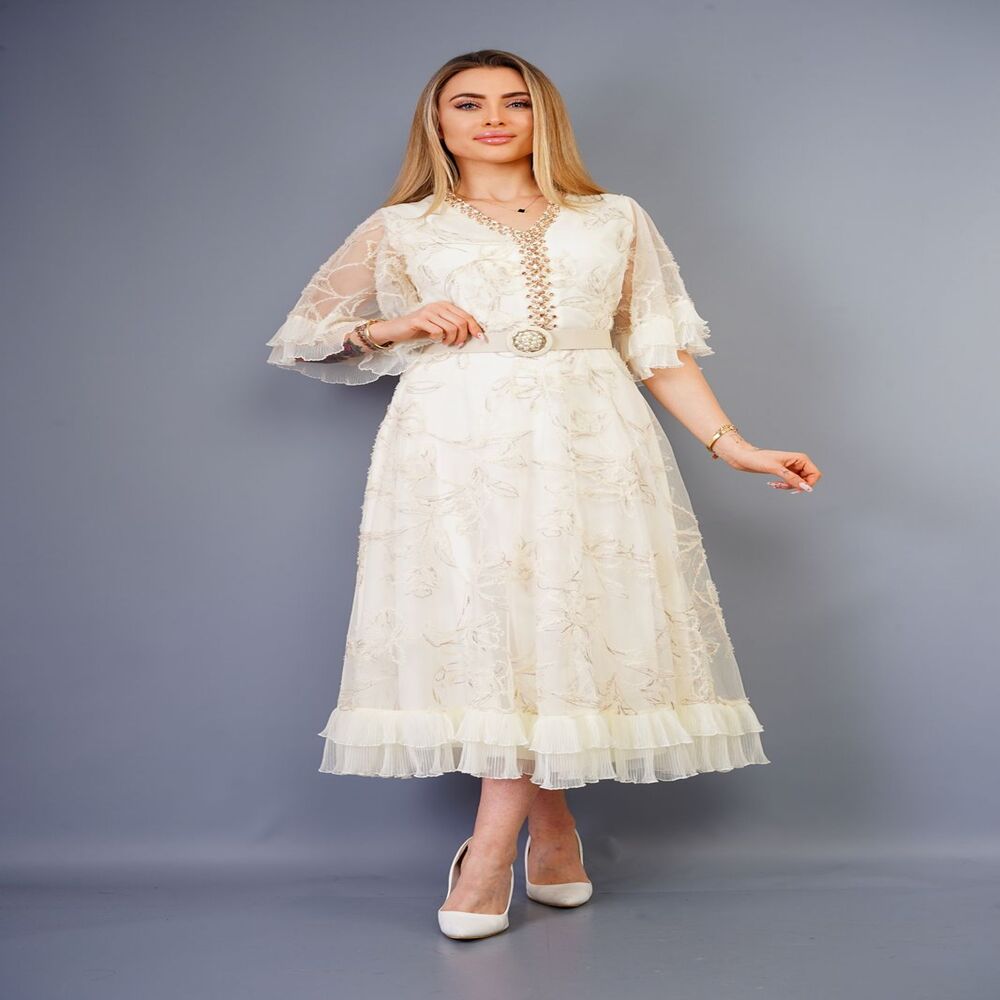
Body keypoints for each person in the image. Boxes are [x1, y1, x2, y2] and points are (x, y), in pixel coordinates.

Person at [265, 49, 821, 940]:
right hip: (456, 442)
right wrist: (394, 324)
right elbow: (303, 337)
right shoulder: (405, 226)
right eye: (468, 103)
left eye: (515, 102)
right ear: (436, 122)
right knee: (500, 632)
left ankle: (496, 849)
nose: (493, 117)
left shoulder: (615, 217)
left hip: (591, 434)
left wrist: (736, 447)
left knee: (563, 625)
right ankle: (534, 838)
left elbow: (658, 348)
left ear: (543, 117)